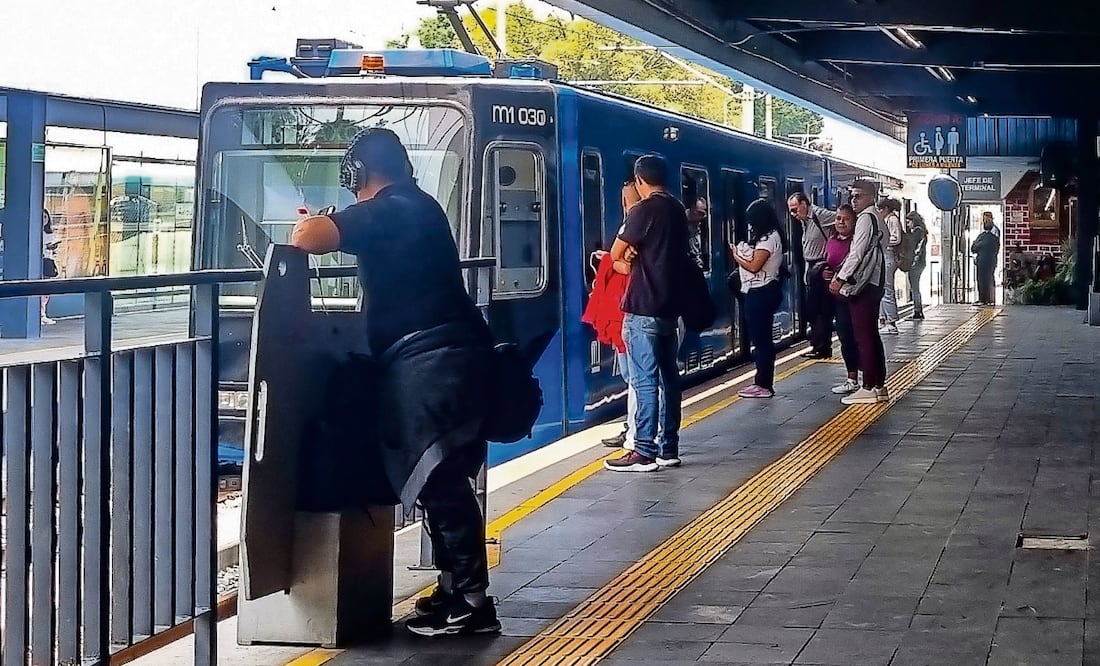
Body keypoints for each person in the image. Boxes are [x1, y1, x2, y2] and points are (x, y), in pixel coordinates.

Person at [289, 127, 500, 637]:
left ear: (361, 172)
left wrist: (320, 223)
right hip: (435, 357)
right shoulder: (412, 206)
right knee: (434, 479)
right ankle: (454, 588)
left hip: (433, 359)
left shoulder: (396, 208)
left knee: (439, 478)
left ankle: (473, 602)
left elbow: (307, 239)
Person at [604, 155, 688, 472]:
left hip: (642, 308)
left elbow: (614, 256)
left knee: (644, 381)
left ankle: (643, 451)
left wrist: (631, 260)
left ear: (640, 181)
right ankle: (669, 447)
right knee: (669, 379)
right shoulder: (677, 210)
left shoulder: (644, 210)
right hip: (669, 308)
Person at [830, 179, 888, 405]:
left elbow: (857, 253)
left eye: (858, 196)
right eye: (852, 196)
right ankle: (879, 387)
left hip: (863, 285)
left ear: (871, 197)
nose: (853, 200)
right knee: (872, 336)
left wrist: (840, 278)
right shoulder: (877, 218)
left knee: (863, 337)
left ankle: (868, 387)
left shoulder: (865, 218)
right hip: (874, 282)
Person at [600, 177, 642, 450]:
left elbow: (627, 264)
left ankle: (639, 434)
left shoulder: (637, 226)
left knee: (639, 377)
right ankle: (633, 427)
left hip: (633, 310)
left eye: (629, 201)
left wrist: (611, 261)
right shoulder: (639, 225)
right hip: (627, 310)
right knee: (634, 376)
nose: (626, 207)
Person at [732, 199, 787, 399]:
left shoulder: (769, 239)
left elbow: (754, 266)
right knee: (762, 340)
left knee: (762, 341)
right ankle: (762, 382)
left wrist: (736, 255)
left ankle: (764, 385)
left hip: (761, 291)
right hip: (765, 291)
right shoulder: (773, 236)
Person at [787, 192, 837, 359]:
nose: (793, 215)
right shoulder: (806, 220)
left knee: (820, 309)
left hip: (820, 266)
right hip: (811, 268)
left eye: (795, 210)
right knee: (814, 309)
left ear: (804, 204)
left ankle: (822, 347)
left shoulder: (820, 215)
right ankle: (817, 345)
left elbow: (843, 220)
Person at [824, 205, 860, 395]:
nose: (840, 222)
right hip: (835, 296)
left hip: (853, 294)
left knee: (857, 337)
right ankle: (851, 377)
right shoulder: (831, 239)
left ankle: (864, 376)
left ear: (854, 221)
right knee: (845, 336)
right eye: (838, 218)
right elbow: (827, 260)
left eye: (845, 219)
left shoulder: (857, 242)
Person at [876, 197, 902, 335]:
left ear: (886, 209)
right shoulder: (887, 219)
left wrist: (882, 240)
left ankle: (891, 322)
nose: (879, 212)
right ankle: (883, 319)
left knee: (887, 289)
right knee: (882, 288)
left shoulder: (892, 220)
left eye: (880, 209)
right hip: (885, 255)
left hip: (889, 255)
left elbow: (896, 238)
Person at [971, 211, 1000, 305]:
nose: (984, 221)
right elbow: (974, 247)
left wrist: (979, 244)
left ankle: (989, 299)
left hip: (988, 259)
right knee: (982, 279)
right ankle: (983, 299)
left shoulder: (993, 232)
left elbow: (989, 243)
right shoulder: (983, 234)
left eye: (985, 219)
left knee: (987, 279)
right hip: (984, 260)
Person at [905, 211, 928, 320]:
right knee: (916, 287)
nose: (908, 225)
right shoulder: (923, 231)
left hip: (915, 263)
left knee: (914, 287)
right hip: (921, 262)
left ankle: (917, 311)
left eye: (908, 222)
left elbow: (912, 247)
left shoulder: (917, 232)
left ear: (913, 221)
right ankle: (918, 310)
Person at [41, 209, 60, 325]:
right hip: (41, 262)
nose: (44, 220)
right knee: (40, 290)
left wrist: (53, 249)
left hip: (49, 261)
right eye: (42, 217)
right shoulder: (36, 232)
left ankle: (43, 314)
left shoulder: (50, 233)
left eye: (46, 217)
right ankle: (41, 314)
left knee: (46, 291)